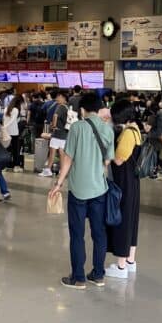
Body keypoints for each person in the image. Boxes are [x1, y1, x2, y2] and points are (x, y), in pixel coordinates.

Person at [49, 93, 114, 289]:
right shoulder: (107, 129)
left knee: (77, 234)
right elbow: (107, 161)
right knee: (99, 233)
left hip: (78, 189)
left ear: (82, 110)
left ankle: (78, 278)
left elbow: (67, 159)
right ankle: (98, 274)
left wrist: (58, 183)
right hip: (99, 189)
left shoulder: (77, 127)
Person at [105, 99, 142, 279]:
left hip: (124, 182)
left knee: (123, 220)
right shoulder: (136, 130)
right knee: (132, 221)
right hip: (132, 182)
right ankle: (130, 261)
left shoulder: (128, 133)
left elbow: (119, 160)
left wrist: (107, 151)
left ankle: (120, 267)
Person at [41, 89, 70, 178]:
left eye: (58, 97)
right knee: (62, 153)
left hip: (57, 133)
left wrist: (53, 126)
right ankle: (62, 171)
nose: (57, 99)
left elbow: (55, 116)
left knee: (52, 152)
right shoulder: (66, 107)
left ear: (62, 97)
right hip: (64, 133)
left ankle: (48, 170)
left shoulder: (60, 106)